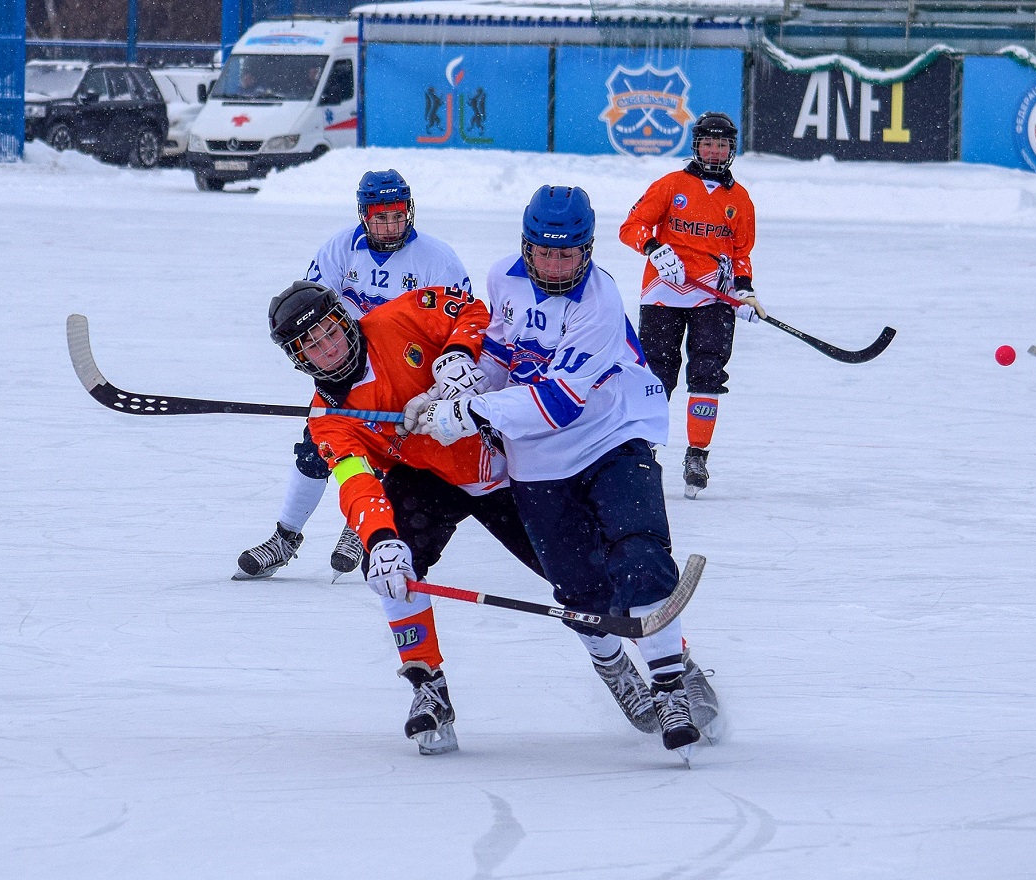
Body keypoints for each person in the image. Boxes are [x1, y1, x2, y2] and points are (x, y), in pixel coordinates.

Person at [410, 185, 721, 755]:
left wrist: (470, 411)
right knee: (578, 589)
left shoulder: (598, 304)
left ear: (589, 250)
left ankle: (670, 682)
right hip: (537, 458)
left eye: (569, 255)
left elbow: (557, 403)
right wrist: (458, 383)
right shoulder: (504, 277)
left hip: (611, 435)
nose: (556, 266)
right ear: (526, 247)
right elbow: (503, 353)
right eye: (545, 253)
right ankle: (615, 672)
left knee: (640, 555)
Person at [265, 279, 539, 755]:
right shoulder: (327, 418)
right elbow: (355, 482)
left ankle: (664, 667)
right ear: (298, 359)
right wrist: (379, 538)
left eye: (329, 331)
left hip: (505, 463)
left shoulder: (399, 318)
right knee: (393, 567)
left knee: (576, 573)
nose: (328, 349)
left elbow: (471, 309)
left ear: (344, 319)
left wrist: (454, 360)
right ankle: (427, 684)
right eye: (311, 346)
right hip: (428, 477)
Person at [235, 170, 472, 581]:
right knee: (315, 450)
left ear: (409, 211)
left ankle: (361, 527)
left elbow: (459, 319)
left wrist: (445, 380)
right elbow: (309, 306)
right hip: (342, 368)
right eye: (379, 217)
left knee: (386, 456)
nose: (389, 226)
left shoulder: (438, 259)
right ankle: (286, 537)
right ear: (363, 215)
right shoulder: (341, 248)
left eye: (397, 216)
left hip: (406, 373)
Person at [618, 111, 761, 499]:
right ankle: (643, 447)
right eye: (708, 143)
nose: (714, 151)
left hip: (713, 296)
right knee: (658, 373)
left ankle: (697, 454)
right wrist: (655, 249)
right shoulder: (671, 185)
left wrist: (744, 292)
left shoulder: (740, 200)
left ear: (732, 150)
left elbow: (741, 253)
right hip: (664, 292)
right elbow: (631, 227)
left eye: (722, 145)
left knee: (707, 372)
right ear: (696, 146)